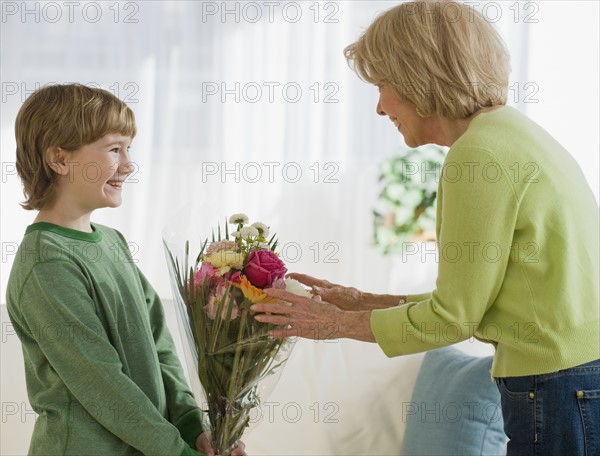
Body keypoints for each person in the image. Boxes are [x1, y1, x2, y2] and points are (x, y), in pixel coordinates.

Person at [251, 1, 600, 455]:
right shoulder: (512, 136)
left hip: (553, 387)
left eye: (383, 85)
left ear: (420, 74)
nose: (379, 108)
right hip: (573, 379)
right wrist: (362, 302)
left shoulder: (478, 157)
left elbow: (453, 320)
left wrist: (336, 323)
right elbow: (476, 302)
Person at [6, 84, 246, 456]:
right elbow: (101, 382)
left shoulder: (112, 242)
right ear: (58, 158)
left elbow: (159, 343)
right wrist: (177, 451)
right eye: (114, 148)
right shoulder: (47, 264)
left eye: (128, 148)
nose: (129, 164)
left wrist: (190, 426)